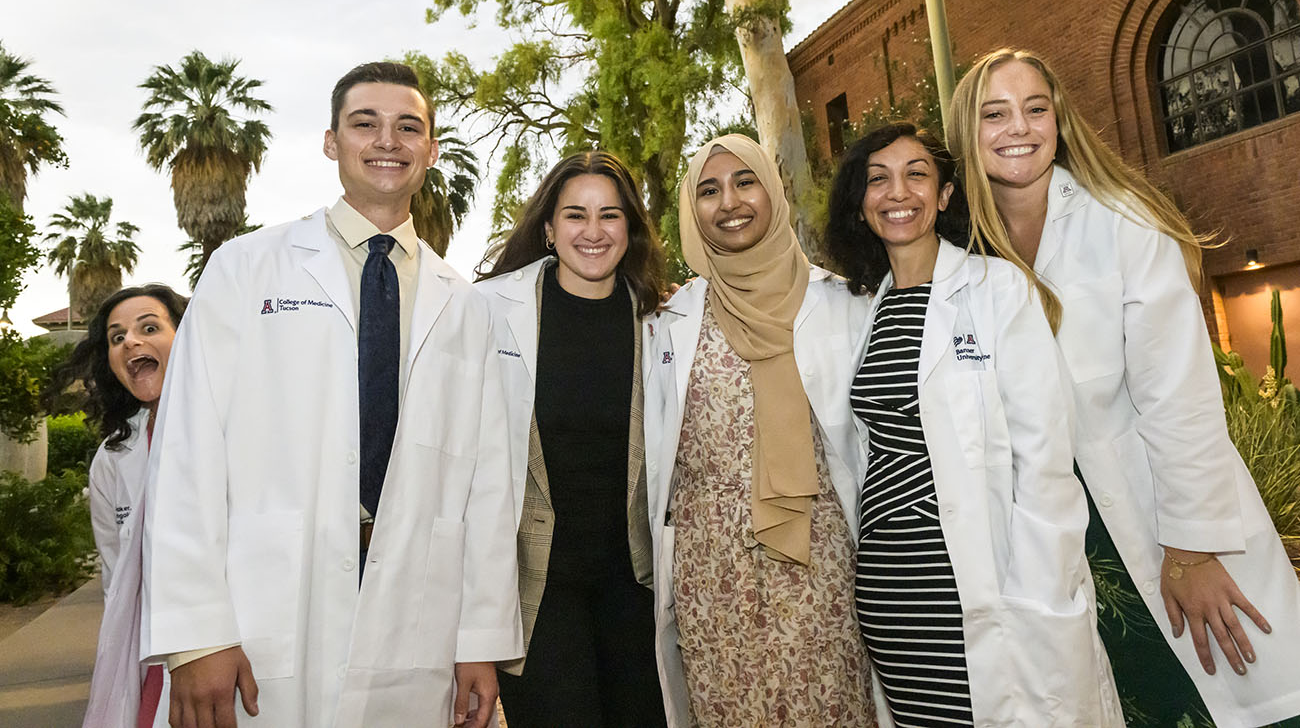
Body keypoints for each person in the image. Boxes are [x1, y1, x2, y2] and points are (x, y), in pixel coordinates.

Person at [142, 61, 521, 728]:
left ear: (429, 151)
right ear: (330, 142)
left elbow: (488, 486)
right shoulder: (245, 268)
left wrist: (481, 641)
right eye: (364, 123)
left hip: (416, 613)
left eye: (409, 127)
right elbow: (186, 454)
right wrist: (197, 633)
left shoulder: (465, 306)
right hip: (270, 609)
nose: (387, 141)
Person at [949, 47, 1300, 728]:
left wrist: (1192, 549)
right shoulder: (963, 256)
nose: (1017, 127)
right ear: (968, 130)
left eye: (1035, 108)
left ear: (1060, 122)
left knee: (1231, 694)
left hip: (1158, 519)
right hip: (1059, 545)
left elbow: (1181, 400)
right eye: (994, 113)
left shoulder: (1123, 222)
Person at [825, 122, 1121, 727]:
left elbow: (1045, 452)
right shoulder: (863, 309)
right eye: (877, 179)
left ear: (946, 195)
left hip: (985, 577)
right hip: (890, 584)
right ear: (860, 204)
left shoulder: (997, 289)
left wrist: (1041, 583)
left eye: (916, 175)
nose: (897, 192)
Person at [643, 133, 875, 727]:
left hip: (819, 561)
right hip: (711, 570)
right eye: (709, 190)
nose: (730, 203)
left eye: (745, 182)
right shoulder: (667, 321)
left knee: (831, 706)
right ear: (691, 213)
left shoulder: (842, 303)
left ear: (772, 191)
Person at [474, 150, 670, 727]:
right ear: (549, 228)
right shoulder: (490, 312)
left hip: (634, 584)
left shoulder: (661, 318)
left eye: (610, 215)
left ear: (629, 228)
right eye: (575, 215)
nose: (593, 231)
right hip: (539, 588)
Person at [63, 284, 188, 728]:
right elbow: (118, 577)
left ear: (188, 337)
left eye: (149, 327)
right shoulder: (113, 459)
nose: (131, 341)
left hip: (234, 645)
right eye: (117, 337)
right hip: (150, 654)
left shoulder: (229, 431)